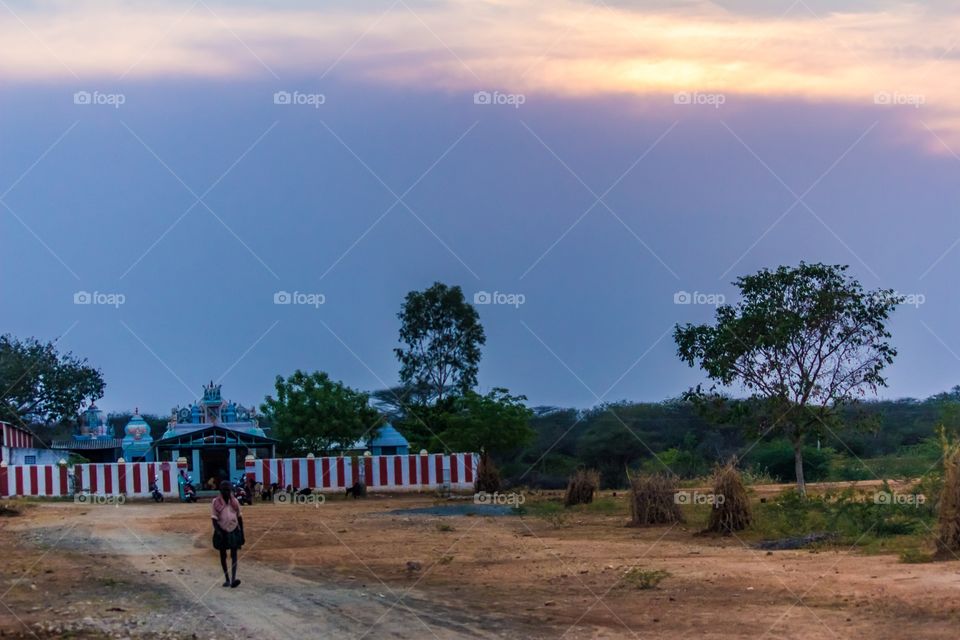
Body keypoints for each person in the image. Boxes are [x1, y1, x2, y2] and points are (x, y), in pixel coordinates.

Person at [211, 480, 244, 588]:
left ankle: (233, 579)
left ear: (231, 490)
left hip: (234, 529)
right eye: (224, 490)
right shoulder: (216, 502)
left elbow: (239, 517)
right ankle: (227, 579)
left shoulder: (235, 502)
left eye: (228, 490)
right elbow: (214, 519)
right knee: (223, 555)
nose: (226, 492)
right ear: (220, 490)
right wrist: (218, 531)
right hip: (222, 530)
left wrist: (242, 532)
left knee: (234, 555)